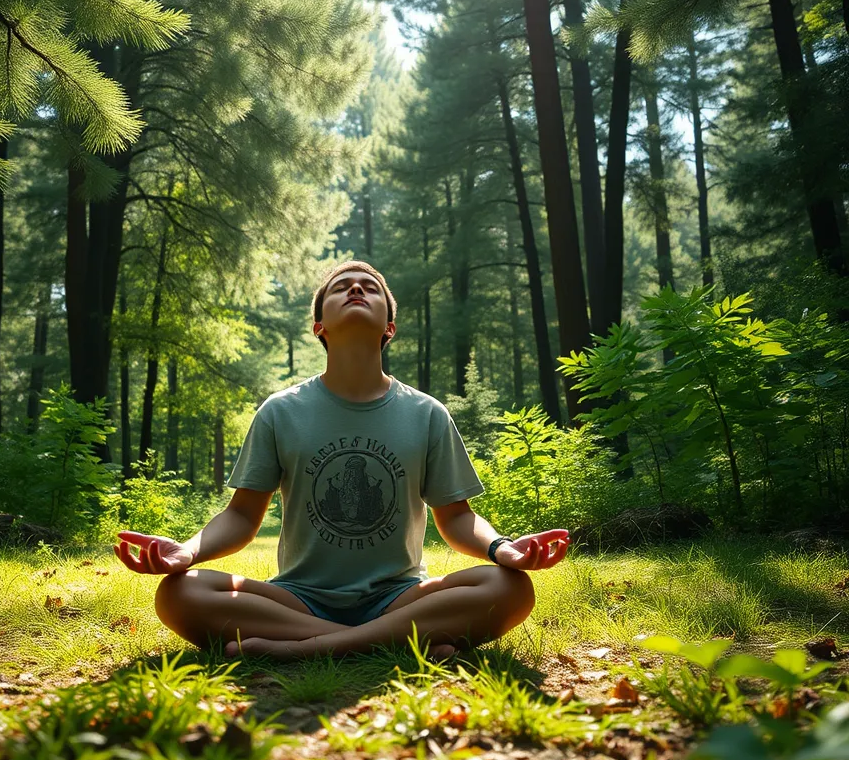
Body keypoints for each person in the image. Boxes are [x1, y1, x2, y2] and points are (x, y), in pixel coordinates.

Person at [115, 260, 570, 659]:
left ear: (389, 327)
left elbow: (457, 518)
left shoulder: (426, 413)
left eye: (370, 288)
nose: (356, 288)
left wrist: (501, 548)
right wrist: (188, 550)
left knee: (509, 587)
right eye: (341, 287)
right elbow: (240, 516)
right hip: (298, 599)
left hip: (400, 596)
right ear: (319, 328)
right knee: (180, 593)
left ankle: (309, 648)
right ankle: (394, 642)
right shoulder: (281, 411)